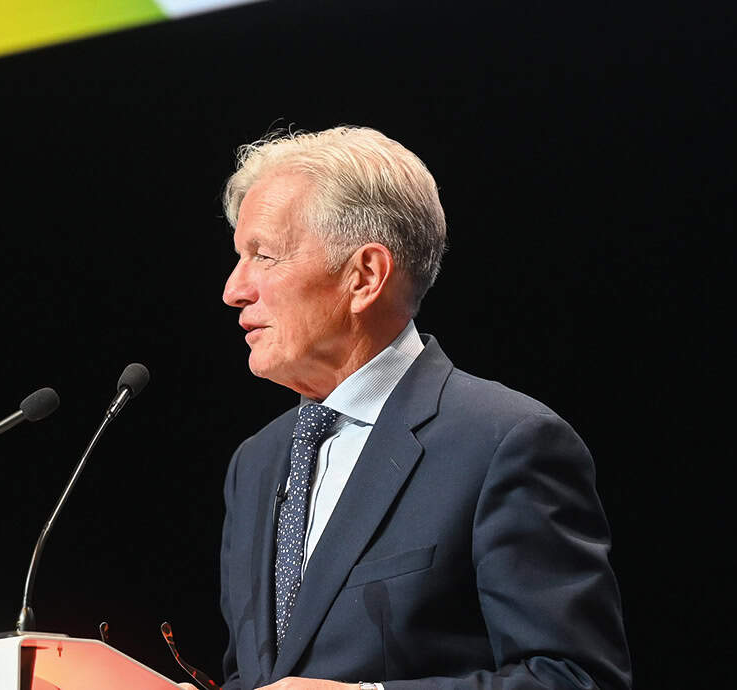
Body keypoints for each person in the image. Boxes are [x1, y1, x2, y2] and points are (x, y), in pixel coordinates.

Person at [189, 127, 632, 690]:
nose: (234, 289)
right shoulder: (255, 463)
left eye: (264, 256)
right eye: (237, 257)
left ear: (366, 275)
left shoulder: (506, 442)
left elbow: (575, 679)